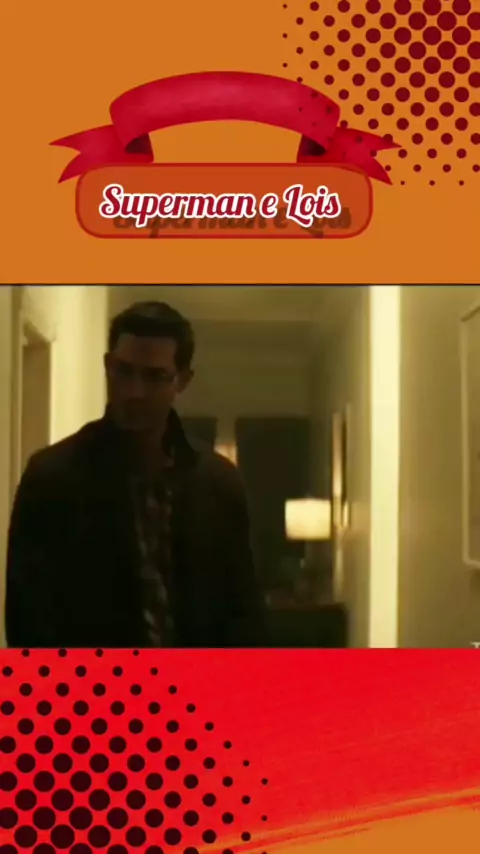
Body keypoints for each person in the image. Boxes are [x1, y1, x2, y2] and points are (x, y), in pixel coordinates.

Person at [5, 301, 265, 649]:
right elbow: (28, 621)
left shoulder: (218, 482)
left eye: (154, 376)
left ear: (182, 380)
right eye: (124, 371)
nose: (134, 391)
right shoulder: (52, 477)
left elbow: (244, 610)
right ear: (107, 365)